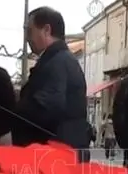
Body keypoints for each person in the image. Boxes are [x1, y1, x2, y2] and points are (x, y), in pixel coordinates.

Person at [15, 7, 90, 162]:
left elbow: (47, 106)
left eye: (30, 31)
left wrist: (15, 110)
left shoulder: (57, 62)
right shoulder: (59, 59)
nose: (27, 38)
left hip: (57, 151)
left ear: (46, 30)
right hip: (62, 147)